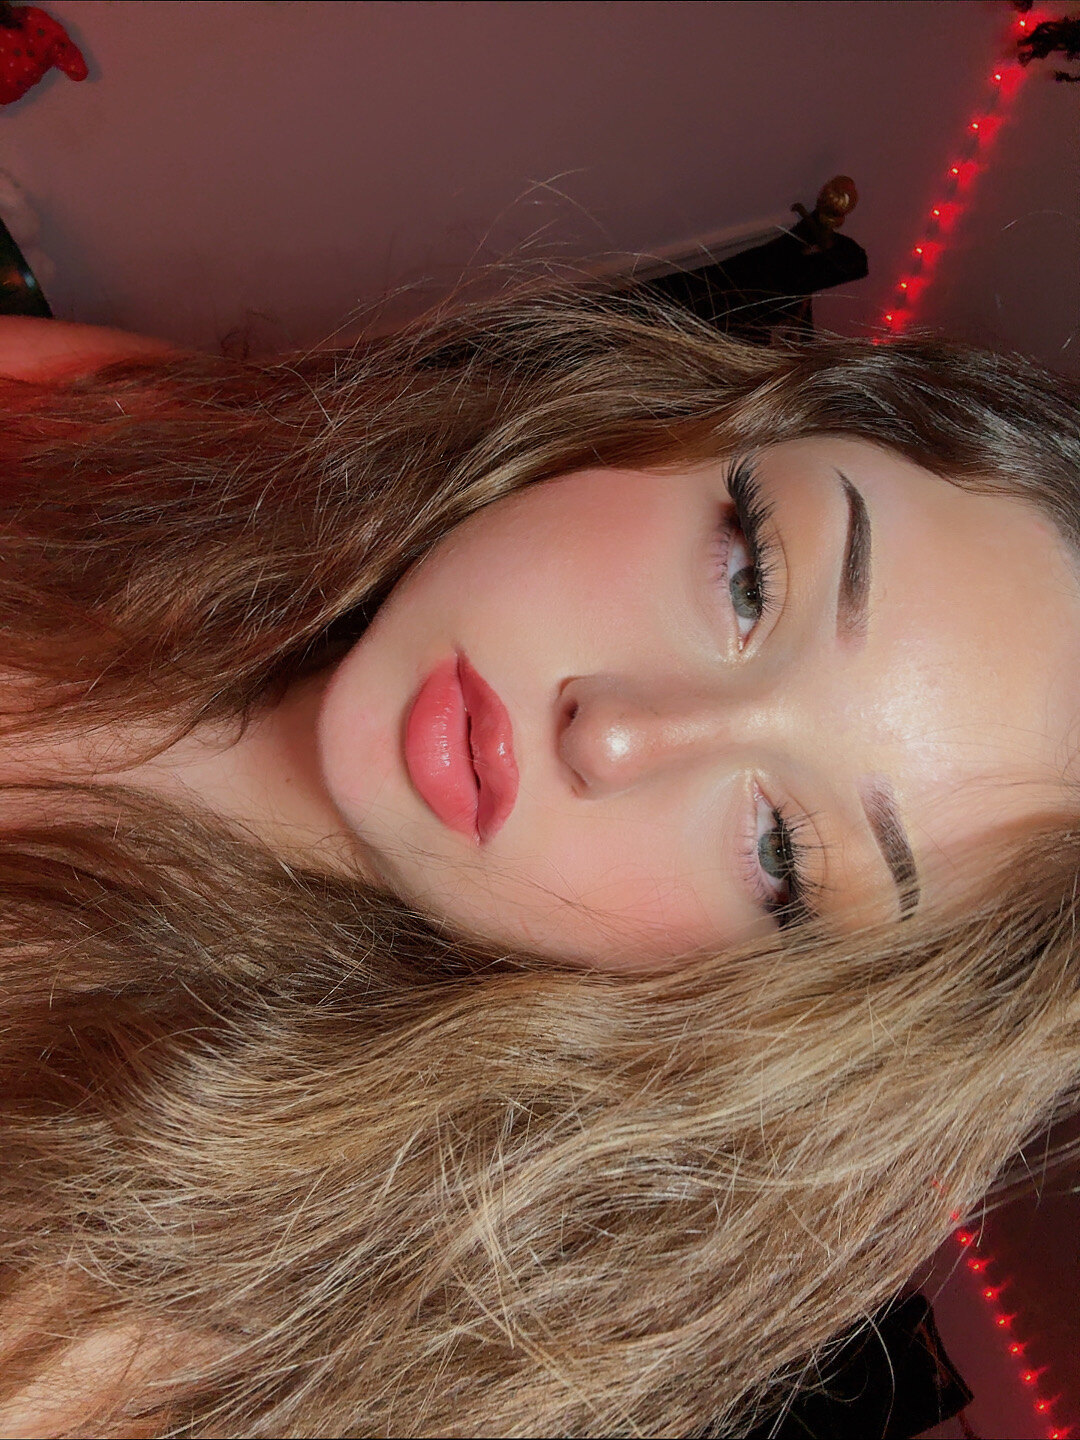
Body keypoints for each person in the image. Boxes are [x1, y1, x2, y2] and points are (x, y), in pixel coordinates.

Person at [0, 281, 1079, 1439]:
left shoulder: (124, 1295)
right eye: (751, 581)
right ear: (686, 433)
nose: (616, 735)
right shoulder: (141, 431)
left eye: (783, 856)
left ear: (752, 1016)